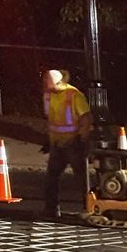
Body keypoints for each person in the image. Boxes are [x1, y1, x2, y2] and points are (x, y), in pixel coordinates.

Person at [42, 69, 93, 218]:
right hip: (57, 144)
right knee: (52, 178)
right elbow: (51, 119)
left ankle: (89, 208)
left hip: (73, 143)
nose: (47, 88)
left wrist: (81, 139)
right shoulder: (48, 95)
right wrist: (48, 140)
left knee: (83, 180)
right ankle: (51, 209)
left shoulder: (74, 95)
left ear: (59, 83)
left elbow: (86, 119)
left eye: (50, 86)